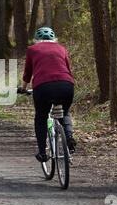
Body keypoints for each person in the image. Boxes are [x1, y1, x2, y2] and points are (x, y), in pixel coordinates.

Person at [18, 27, 77, 163]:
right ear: (54, 38)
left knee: (41, 117)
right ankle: (69, 138)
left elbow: (28, 73)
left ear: (36, 39)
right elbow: (68, 68)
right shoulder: (61, 48)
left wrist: (23, 88)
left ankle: (42, 153)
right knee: (65, 112)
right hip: (66, 84)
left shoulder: (32, 50)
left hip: (43, 86)